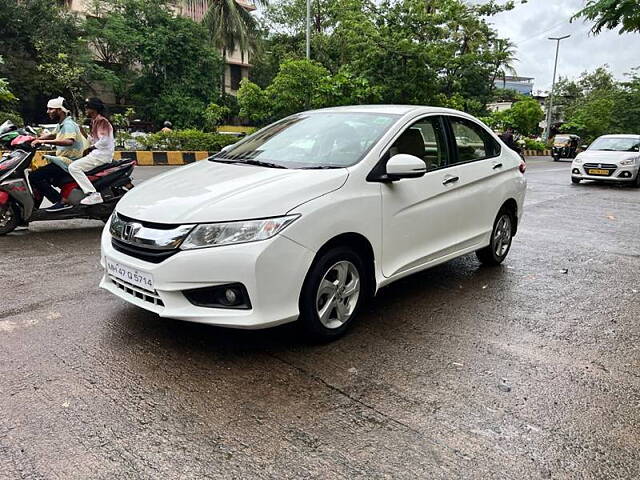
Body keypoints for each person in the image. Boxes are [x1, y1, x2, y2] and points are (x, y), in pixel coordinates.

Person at [30, 97, 87, 212]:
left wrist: (42, 141)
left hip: (68, 162)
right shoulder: (62, 124)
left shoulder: (68, 124)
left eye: (51, 109)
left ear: (60, 110)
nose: (48, 112)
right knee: (38, 177)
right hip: (62, 161)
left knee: (34, 176)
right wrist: (33, 139)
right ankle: (33, 210)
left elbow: (69, 141)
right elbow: (52, 135)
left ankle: (60, 201)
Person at [68, 98, 115, 206]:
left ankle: (93, 194)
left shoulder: (102, 121)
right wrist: (82, 132)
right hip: (97, 154)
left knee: (73, 167)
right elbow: (93, 140)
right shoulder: (95, 121)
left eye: (87, 108)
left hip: (101, 155)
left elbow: (105, 140)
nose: (85, 110)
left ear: (93, 109)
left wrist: (91, 148)